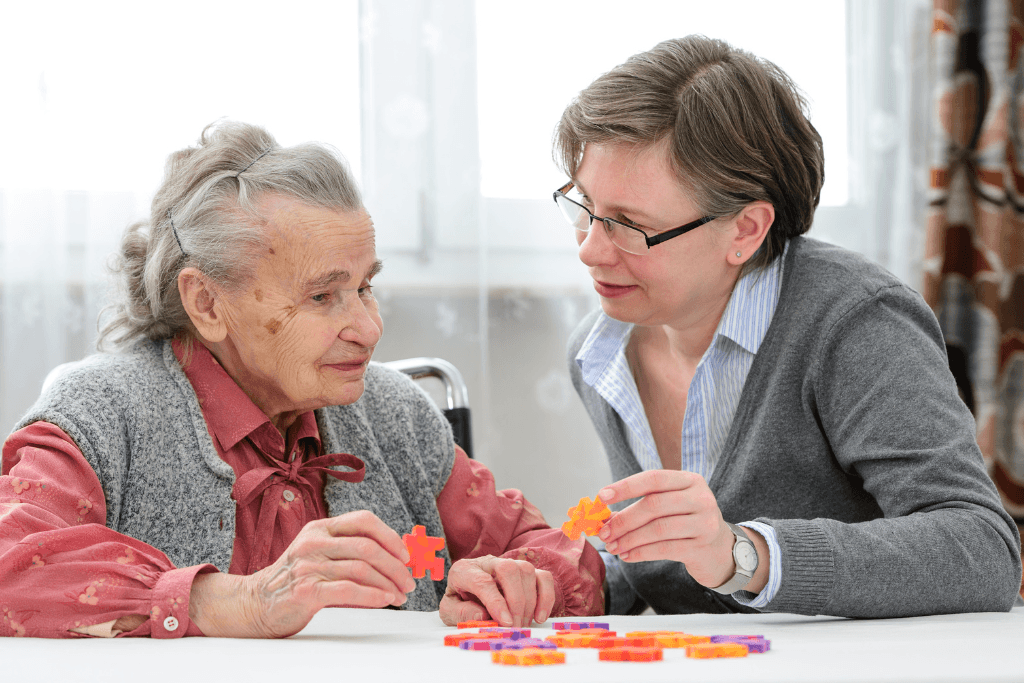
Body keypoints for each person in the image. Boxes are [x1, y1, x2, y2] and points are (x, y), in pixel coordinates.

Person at [0, 121, 603, 639]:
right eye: (322, 296)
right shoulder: (103, 412)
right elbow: (10, 560)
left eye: (365, 286)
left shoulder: (393, 413)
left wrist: (517, 585)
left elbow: (561, 552)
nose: (368, 328)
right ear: (207, 303)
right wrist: (237, 602)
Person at [554, 35, 1022, 617]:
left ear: (746, 230)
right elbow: (674, 566)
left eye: (630, 226)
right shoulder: (600, 350)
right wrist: (560, 581)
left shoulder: (854, 324)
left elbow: (980, 551)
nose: (591, 251)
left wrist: (745, 555)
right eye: (584, 208)